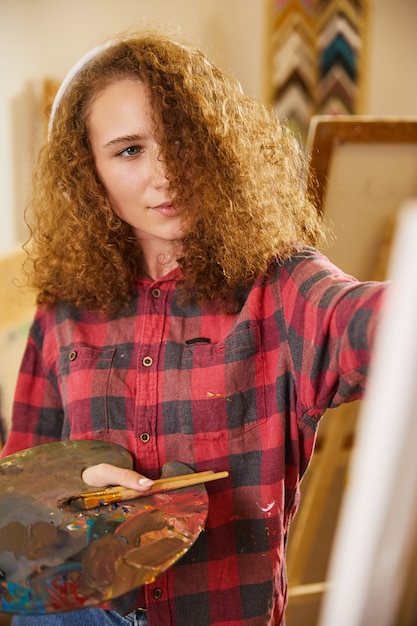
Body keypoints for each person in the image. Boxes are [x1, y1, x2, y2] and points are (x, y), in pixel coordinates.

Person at [2, 29, 387, 626]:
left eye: (181, 139)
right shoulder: (64, 309)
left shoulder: (280, 286)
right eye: (129, 150)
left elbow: (370, 322)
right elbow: (16, 511)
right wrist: (74, 499)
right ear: (90, 172)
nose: (166, 174)